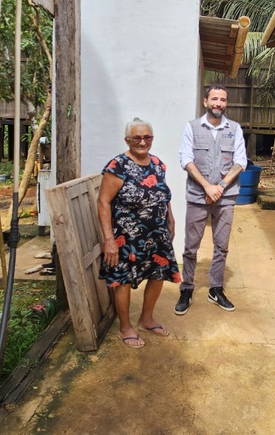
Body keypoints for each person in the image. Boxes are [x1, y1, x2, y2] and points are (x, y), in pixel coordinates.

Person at [98, 118, 181, 349]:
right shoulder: (117, 166)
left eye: (147, 137)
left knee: (158, 273)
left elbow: (163, 195)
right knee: (123, 279)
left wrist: (171, 218)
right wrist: (109, 240)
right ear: (127, 140)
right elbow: (103, 202)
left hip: (157, 233)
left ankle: (146, 319)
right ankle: (125, 327)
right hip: (128, 236)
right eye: (137, 138)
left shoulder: (158, 164)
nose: (142, 142)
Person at [175, 84, 247, 315]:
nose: (218, 103)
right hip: (198, 196)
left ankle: (215, 288)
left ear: (226, 103)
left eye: (222, 100)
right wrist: (207, 186)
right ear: (205, 101)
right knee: (191, 246)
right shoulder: (192, 127)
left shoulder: (234, 129)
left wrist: (220, 187)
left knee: (222, 246)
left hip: (225, 197)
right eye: (214, 99)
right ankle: (187, 288)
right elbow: (186, 160)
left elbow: (241, 161)